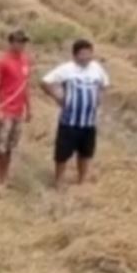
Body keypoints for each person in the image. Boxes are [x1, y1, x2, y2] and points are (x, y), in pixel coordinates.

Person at [40, 38, 110, 189]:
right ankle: (58, 181)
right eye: (82, 54)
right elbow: (45, 82)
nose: (85, 57)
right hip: (69, 121)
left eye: (88, 53)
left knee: (86, 153)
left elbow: (104, 84)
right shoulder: (67, 69)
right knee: (62, 153)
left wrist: (100, 97)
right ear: (75, 55)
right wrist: (57, 97)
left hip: (89, 121)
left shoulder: (96, 68)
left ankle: (82, 181)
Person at [0, 28, 32, 187]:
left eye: (24, 42)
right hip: (5, 109)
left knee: (9, 147)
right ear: (11, 42)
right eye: (19, 41)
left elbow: (25, 86)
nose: (22, 45)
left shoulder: (26, 61)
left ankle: (4, 178)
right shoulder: (2, 62)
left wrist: (29, 107)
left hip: (18, 111)